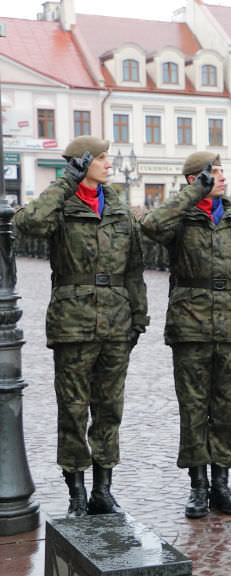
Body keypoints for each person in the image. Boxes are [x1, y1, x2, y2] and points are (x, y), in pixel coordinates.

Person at [13, 136, 148, 517]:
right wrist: (63, 182)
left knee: (109, 408)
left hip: (117, 320)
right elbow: (29, 223)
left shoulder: (118, 209)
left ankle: (103, 490)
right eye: (101, 158)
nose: (109, 163)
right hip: (72, 321)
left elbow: (135, 269)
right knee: (72, 408)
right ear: (81, 163)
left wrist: (139, 316)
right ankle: (75, 490)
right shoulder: (61, 205)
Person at [141, 152, 231, 518]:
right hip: (190, 326)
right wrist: (193, 194)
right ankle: (198, 485)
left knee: (225, 408)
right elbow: (149, 225)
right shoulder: (179, 220)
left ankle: (222, 482)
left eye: (222, 171)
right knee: (194, 408)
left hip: (230, 326)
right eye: (213, 173)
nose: (222, 177)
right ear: (196, 179)